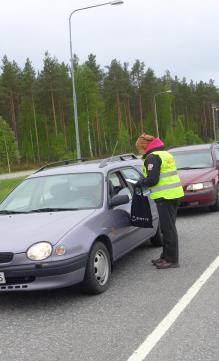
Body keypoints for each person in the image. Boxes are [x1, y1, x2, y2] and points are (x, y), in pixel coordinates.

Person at [135, 133, 184, 269]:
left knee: (168, 230)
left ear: (144, 145)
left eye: (139, 148)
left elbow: (152, 179)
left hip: (165, 197)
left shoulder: (152, 157)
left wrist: (140, 183)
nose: (139, 151)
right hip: (174, 194)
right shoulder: (165, 154)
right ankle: (165, 257)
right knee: (168, 228)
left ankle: (172, 260)